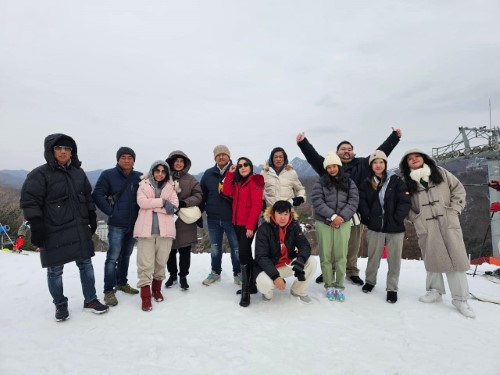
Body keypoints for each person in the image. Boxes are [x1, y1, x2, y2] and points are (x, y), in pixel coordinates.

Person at [20, 133, 109, 321]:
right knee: (55, 270)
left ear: (72, 153)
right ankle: (60, 305)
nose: (63, 152)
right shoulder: (39, 174)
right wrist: (36, 225)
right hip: (52, 228)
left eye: (67, 149)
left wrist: (92, 216)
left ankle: (91, 299)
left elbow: (87, 196)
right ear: (51, 151)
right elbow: (30, 201)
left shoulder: (78, 173)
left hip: (78, 226)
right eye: (59, 148)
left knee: (86, 264)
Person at [297, 128, 402, 285]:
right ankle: (329, 271)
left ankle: (351, 271)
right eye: (343, 149)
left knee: (353, 245)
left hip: (354, 212)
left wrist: (394, 137)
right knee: (330, 246)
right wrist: (303, 143)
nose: (346, 151)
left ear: (353, 152)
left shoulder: (362, 164)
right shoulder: (328, 166)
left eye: (349, 149)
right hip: (329, 214)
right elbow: (313, 157)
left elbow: (380, 153)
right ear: (337, 152)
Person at [399, 149, 475, 318]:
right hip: (426, 224)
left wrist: (454, 210)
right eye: (410, 159)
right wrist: (415, 218)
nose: (414, 160)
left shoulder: (440, 172)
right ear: (406, 164)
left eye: (417, 157)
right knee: (432, 256)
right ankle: (435, 291)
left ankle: (460, 298)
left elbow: (458, 189)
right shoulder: (406, 181)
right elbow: (404, 204)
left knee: (456, 258)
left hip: (448, 220)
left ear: (424, 158)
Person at [357, 150, 411, 303]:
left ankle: (392, 288)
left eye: (381, 162)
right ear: (371, 166)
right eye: (375, 162)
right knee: (373, 257)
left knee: (394, 260)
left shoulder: (395, 181)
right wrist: (368, 218)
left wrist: (397, 218)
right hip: (375, 227)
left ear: (385, 164)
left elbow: (405, 201)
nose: (378, 165)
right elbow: (362, 202)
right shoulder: (367, 183)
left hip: (395, 228)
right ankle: (370, 281)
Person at [92, 147, 141, 307]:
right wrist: (111, 212)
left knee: (126, 256)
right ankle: (108, 291)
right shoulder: (108, 175)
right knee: (112, 258)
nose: (127, 160)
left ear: (134, 160)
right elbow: (98, 195)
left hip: (133, 224)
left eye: (130, 157)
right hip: (116, 224)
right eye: (123, 157)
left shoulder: (139, 177)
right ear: (118, 159)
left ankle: (122, 283)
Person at [311, 152, 359, 302]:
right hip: (324, 221)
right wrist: (332, 216)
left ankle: (339, 285)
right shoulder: (321, 182)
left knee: (341, 255)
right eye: (329, 167)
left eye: (334, 166)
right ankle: (328, 284)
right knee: (325, 255)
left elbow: (353, 201)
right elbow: (317, 201)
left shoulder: (349, 182)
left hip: (343, 222)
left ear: (339, 166)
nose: (332, 169)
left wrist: (341, 217)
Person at [133, 160, 179, 311]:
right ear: (152, 171)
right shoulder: (144, 185)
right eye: (157, 170)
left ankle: (157, 289)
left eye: (163, 171)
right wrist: (162, 202)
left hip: (165, 232)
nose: (160, 174)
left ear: (166, 173)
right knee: (145, 264)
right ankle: (145, 296)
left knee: (160, 262)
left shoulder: (171, 187)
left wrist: (154, 207)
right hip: (145, 231)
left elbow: (174, 208)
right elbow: (142, 203)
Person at [255, 200, 317, 304]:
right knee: (263, 283)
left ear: (290, 214)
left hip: (288, 264)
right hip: (270, 267)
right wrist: (275, 276)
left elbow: (304, 245)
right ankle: (267, 293)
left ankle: (298, 290)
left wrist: (300, 261)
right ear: (273, 213)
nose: (283, 217)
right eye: (279, 213)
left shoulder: (294, 226)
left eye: (286, 214)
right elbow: (261, 257)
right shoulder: (264, 229)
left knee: (311, 261)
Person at [223, 157, 264, 307]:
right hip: (237, 224)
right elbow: (227, 191)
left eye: (245, 165)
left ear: (251, 166)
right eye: (240, 166)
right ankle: (251, 285)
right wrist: (230, 173)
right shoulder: (239, 183)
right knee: (246, 254)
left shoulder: (254, 181)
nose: (242, 167)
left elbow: (257, 205)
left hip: (248, 225)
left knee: (242, 254)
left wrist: (250, 226)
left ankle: (246, 291)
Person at [199, 145, 241, 286]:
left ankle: (238, 273)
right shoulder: (208, 174)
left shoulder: (237, 171)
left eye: (224, 154)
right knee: (215, 247)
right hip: (213, 218)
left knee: (236, 247)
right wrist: (199, 212)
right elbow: (202, 195)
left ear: (229, 156)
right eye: (218, 155)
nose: (221, 157)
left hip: (232, 217)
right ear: (215, 158)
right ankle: (215, 272)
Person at [164, 150, 203, 290]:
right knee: (170, 250)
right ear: (171, 163)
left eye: (181, 161)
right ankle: (172, 275)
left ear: (185, 163)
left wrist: (185, 202)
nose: (179, 163)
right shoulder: (164, 177)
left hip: (185, 220)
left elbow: (198, 195)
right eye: (176, 161)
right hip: (168, 219)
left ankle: (183, 276)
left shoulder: (191, 179)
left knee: (185, 250)